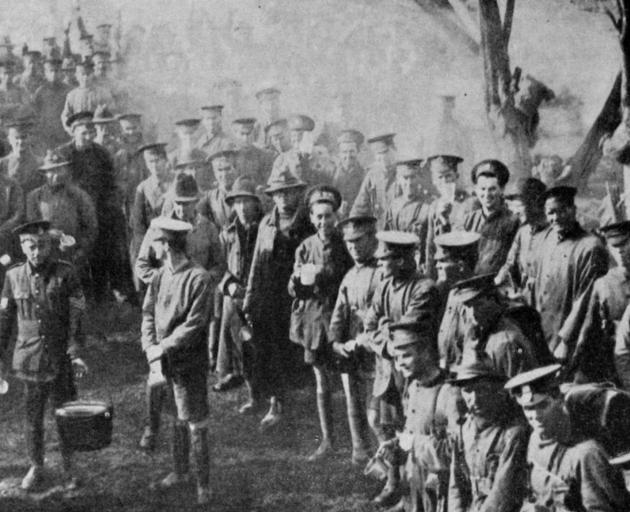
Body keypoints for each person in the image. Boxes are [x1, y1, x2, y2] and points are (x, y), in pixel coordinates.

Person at [135, 174, 224, 452]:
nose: (183, 208)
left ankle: (196, 476)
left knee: (188, 387)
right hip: (165, 306)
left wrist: (200, 282)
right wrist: (165, 284)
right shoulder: (160, 227)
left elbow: (219, 265)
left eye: (188, 203)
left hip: (196, 301)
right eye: (178, 203)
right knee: (157, 379)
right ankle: (152, 428)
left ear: (197, 201)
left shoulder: (207, 228)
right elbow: (142, 264)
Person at [0, 220, 88, 490]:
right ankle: (37, 466)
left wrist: (75, 352)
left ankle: (70, 468)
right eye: (31, 246)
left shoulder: (66, 273)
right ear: (22, 247)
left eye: (41, 246)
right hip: (29, 360)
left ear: (49, 246)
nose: (36, 252)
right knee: (33, 418)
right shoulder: (13, 276)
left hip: (59, 357)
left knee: (65, 415)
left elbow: (78, 315)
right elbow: (4, 321)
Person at [360, 231, 441, 506]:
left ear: (403, 260)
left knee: (414, 427)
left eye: (386, 259)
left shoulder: (425, 288)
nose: (380, 264)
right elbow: (369, 326)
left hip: (415, 371)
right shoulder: (384, 286)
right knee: (388, 424)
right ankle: (394, 483)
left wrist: (384, 329)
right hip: (388, 370)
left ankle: (418, 490)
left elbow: (408, 331)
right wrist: (384, 332)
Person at [140, 216, 213, 505]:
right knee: (175, 418)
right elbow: (147, 313)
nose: (152, 249)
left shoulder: (199, 278)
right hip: (163, 361)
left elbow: (195, 325)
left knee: (195, 422)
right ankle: (180, 472)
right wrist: (149, 346)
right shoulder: (159, 276)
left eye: (155, 243)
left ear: (167, 245)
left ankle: (204, 486)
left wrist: (164, 346)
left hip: (188, 364)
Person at [505, 365, 630, 511]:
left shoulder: (586, 454)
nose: (536, 416)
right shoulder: (535, 440)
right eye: (528, 409)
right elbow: (533, 494)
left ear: (559, 401)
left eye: (543, 405)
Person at [243, 170, 313, 431]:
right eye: (278, 194)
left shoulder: (306, 226)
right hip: (265, 296)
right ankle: (264, 397)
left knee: (286, 352)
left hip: (291, 299)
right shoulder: (266, 224)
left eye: (288, 192)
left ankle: (280, 403)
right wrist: (250, 296)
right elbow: (255, 264)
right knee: (263, 348)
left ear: (297, 194)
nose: (283, 198)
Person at [288, 185, 353, 460]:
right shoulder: (305, 247)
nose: (323, 222)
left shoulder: (345, 244)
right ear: (312, 219)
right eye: (318, 217)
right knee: (321, 380)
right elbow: (295, 287)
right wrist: (298, 283)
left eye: (328, 216)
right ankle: (328, 440)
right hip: (314, 321)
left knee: (349, 380)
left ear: (336, 217)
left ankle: (359, 443)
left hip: (341, 319)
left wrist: (326, 275)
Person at [377, 319, 462, 512]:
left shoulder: (450, 393)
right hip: (416, 491)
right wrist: (397, 447)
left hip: (442, 497)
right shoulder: (414, 386)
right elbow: (413, 433)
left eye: (406, 356)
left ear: (425, 352)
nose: (399, 365)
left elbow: (458, 452)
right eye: (396, 359)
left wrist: (413, 443)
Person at [532, 186, 608, 377]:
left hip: (571, 335)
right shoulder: (545, 239)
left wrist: (566, 341)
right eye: (551, 212)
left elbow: (586, 300)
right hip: (543, 330)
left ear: (573, 210)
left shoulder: (590, 247)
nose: (556, 218)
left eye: (562, 210)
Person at [57, 111, 126, 301]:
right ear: (73, 132)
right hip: (72, 212)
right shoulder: (63, 154)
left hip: (99, 212)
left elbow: (111, 185)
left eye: (91, 132)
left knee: (101, 253)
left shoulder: (101, 154)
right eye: (83, 133)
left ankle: (102, 297)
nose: (88, 137)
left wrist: (108, 206)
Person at [329, 214, 380, 465]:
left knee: (376, 408)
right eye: (349, 243)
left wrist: (364, 339)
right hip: (351, 352)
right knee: (353, 400)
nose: (354, 247)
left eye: (359, 241)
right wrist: (336, 342)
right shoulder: (349, 276)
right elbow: (339, 313)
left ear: (372, 238)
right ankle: (360, 452)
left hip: (375, 350)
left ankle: (385, 459)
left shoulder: (383, 272)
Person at [448, 355, 529, 512]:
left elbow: (503, 491)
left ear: (495, 390)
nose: (475, 398)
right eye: (468, 391)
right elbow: (456, 485)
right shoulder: (463, 430)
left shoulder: (513, 433)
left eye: (482, 389)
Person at [215, 176, 264, 398]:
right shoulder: (227, 234)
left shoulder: (265, 229)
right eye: (238, 202)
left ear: (255, 203)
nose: (243, 207)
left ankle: (263, 389)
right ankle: (236, 374)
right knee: (234, 338)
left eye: (247, 201)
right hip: (235, 293)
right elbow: (218, 267)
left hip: (259, 294)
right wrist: (229, 285)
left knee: (258, 343)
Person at [452, 274, 541, 379]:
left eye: (479, 305)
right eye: (468, 306)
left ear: (493, 300)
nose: (472, 313)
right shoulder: (474, 331)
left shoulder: (507, 342)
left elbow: (520, 391)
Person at [26, 151, 97, 282]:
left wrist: (80, 251)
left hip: (73, 254)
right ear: (45, 174)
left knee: (74, 294)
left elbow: (91, 228)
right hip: (43, 254)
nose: (56, 175)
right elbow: (31, 227)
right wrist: (47, 233)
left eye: (60, 169)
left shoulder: (79, 195)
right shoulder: (35, 196)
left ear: (66, 171)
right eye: (52, 171)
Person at [574, 220, 630, 386]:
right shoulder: (604, 284)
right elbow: (590, 327)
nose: (620, 251)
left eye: (624, 244)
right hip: (619, 360)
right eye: (614, 246)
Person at [495, 178, 548, 305]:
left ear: (536, 203)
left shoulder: (553, 234)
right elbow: (510, 263)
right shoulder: (523, 232)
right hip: (524, 298)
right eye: (510, 206)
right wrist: (498, 279)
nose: (514, 211)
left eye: (518, 205)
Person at [422, 154, 475, 280]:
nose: (444, 181)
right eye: (440, 177)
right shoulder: (434, 206)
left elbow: (471, 246)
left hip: (462, 270)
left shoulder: (469, 204)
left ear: (456, 176)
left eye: (448, 176)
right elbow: (430, 246)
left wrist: (446, 221)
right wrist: (430, 278)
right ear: (434, 181)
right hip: (441, 272)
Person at [463, 160, 519, 275]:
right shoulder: (468, 220)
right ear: (476, 190)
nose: (487, 194)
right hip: (470, 283)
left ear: (502, 190)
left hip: (498, 285)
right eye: (482, 189)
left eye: (492, 189)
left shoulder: (513, 221)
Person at [269, 114, 332, 187]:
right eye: (293, 140)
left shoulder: (322, 157)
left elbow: (329, 182)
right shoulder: (282, 159)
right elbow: (275, 186)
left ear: (309, 139)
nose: (296, 146)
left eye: (299, 141)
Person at [351, 133, 398, 228]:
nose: (383, 159)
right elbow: (359, 208)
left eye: (385, 152)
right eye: (379, 155)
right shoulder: (372, 175)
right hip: (378, 230)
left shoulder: (403, 174)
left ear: (393, 149)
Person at [60, 58, 115, 133]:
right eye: (82, 74)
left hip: (98, 130)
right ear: (76, 75)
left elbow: (112, 113)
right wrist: (70, 130)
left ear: (93, 74)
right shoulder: (72, 95)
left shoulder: (103, 92)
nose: (85, 77)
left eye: (88, 74)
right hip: (79, 131)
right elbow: (65, 116)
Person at [113, 112, 148, 219]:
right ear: (121, 131)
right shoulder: (117, 154)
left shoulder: (146, 151)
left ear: (140, 128)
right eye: (127, 129)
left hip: (145, 199)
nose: (131, 132)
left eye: (134, 128)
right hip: (124, 202)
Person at [32, 57, 71, 149]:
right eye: (51, 71)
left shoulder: (69, 90)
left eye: (57, 71)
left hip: (64, 131)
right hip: (47, 132)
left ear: (61, 72)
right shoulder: (40, 92)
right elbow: (36, 112)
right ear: (45, 73)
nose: (54, 74)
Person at [384, 158, 427, 238]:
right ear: (398, 180)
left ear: (419, 178)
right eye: (405, 178)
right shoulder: (394, 205)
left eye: (413, 177)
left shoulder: (427, 205)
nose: (409, 183)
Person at [196, 149, 237, 229]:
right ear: (214, 173)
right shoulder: (210, 197)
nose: (224, 174)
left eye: (228, 169)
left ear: (235, 169)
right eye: (220, 170)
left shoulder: (247, 192)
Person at [0, 119, 43, 195]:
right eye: (16, 138)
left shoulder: (40, 163)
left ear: (30, 138)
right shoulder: (2, 164)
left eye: (24, 137)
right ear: (9, 140)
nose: (20, 142)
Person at [330, 129, 366, 219]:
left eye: (351, 151)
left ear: (358, 152)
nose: (348, 156)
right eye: (344, 152)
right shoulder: (331, 173)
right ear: (339, 154)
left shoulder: (365, 175)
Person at [232, 117, 275, 186]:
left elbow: (267, 181)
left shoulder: (264, 156)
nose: (245, 138)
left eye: (248, 134)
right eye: (242, 134)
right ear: (236, 134)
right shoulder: (231, 156)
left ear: (254, 133)